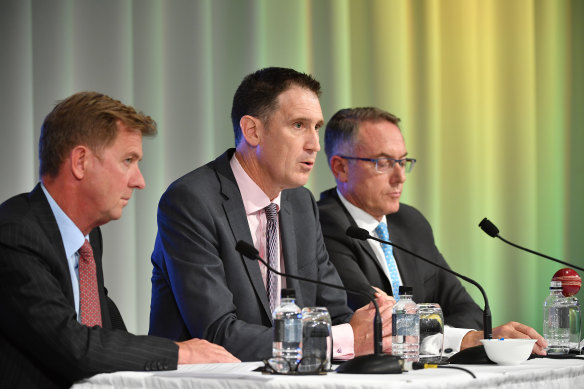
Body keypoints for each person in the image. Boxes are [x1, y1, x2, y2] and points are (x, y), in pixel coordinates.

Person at [149, 67, 394, 362]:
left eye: (317, 127)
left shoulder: (300, 204)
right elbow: (217, 333)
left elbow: (334, 312)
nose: (315, 144)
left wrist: (375, 324)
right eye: (299, 125)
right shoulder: (192, 201)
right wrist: (341, 339)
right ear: (253, 130)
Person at [0, 92, 238, 389]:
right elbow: (74, 346)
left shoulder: (88, 235)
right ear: (80, 161)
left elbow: (101, 324)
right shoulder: (14, 235)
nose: (139, 181)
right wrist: (182, 351)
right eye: (128, 160)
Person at [318, 107, 547, 354]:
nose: (400, 177)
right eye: (383, 163)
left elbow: (468, 311)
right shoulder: (322, 224)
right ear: (340, 167)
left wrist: (469, 336)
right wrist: (462, 339)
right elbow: (378, 324)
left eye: (403, 161)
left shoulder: (410, 222)